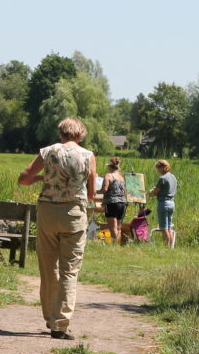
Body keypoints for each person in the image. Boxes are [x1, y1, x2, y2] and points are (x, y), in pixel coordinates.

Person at [17, 118, 96, 340]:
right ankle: (60, 324)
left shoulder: (49, 152)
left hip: (48, 213)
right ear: (80, 135)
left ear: (61, 132)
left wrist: (44, 178)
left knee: (48, 267)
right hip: (73, 214)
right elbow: (90, 193)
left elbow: (24, 179)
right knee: (69, 270)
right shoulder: (88, 156)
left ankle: (50, 318)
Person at [146, 159, 177, 248]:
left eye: (158, 169)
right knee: (169, 227)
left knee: (164, 227)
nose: (157, 171)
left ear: (162, 168)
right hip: (171, 203)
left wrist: (149, 193)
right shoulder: (173, 177)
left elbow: (155, 192)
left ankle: (166, 247)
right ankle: (171, 247)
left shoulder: (162, 178)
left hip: (163, 203)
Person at [97, 156, 126, 245]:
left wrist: (96, 191)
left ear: (110, 166)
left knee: (112, 226)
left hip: (112, 203)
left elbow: (105, 189)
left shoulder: (108, 175)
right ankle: (118, 242)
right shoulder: (121, 177)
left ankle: (115, 244)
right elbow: (124, 191)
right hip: (122, 203)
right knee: (118, 226)